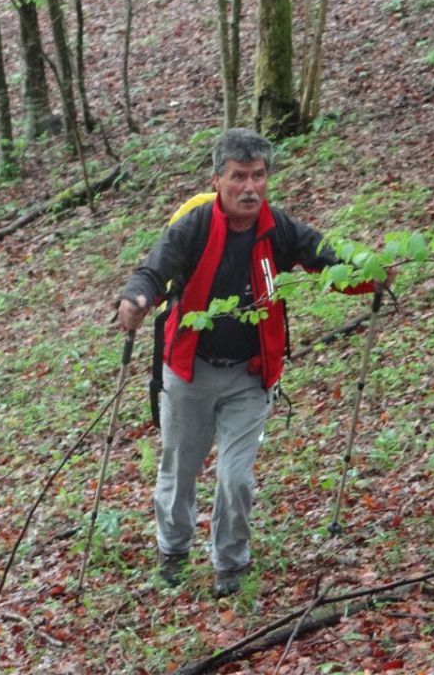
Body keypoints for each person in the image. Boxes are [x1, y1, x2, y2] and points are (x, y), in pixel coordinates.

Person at [116, 128, 379, 597]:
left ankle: (230, 565)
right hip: (190, 370)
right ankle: (173, 550)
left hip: (249, 375)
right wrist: (137, 298)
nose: (250, 187)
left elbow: (327, 260)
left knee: (235, 477)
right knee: (180, 469)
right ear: (218, 179)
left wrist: (370, 276)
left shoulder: (277, 229)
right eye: (239, 177)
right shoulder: (194, 226)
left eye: (258, 176)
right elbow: (154, 269)